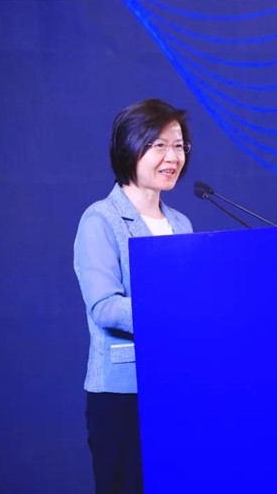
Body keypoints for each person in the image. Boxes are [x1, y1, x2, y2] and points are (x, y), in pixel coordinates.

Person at [73, 99, 194, 493]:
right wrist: (170, 315)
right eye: (159, 145)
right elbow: (105, 307)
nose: (172, 157)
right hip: (124, 394)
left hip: (179, 384)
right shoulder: (100, 220)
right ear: (130, 146)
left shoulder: (181, 223)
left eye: (178, 146)